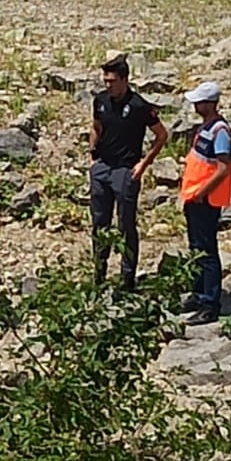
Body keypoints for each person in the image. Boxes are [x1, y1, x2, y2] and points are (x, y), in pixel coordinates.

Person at [89, 54, 168, 290]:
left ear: (124, 80)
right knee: (99, 223)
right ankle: (99, 274)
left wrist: (143, 165)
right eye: (105, 80)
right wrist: (92, 152)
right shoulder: (101, 101)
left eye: (112, 80)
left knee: (126, 225)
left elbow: (161, 136)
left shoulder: (139, 106)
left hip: (126, 170)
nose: (107, 85)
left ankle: (127, 279)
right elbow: (96, 126)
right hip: (102, 167)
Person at [180, 81, 231, 325]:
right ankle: (198, 292)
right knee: (196, 248)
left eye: (199, 102)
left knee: (207, 251)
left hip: (206, 199)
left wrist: (202, 192)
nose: (195, 105)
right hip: (194, 196)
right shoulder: (206, 127)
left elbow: (223, 168)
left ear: (210, 104)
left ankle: (209, 303)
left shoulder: (220, 131)